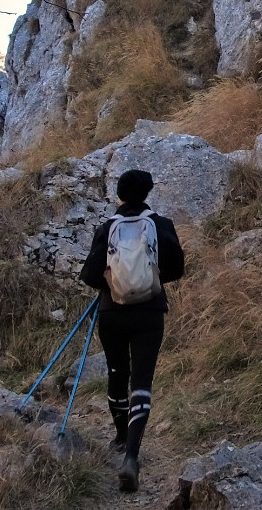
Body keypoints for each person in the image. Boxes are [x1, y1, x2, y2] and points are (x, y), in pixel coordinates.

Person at [80, 168, 183, 493]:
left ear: (119, 194)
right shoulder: (161, 225)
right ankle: (132, 457)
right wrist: (147, 282)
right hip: (149, 314)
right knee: (141, 381)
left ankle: (121, 436)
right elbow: (176, 268)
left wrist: (113, 285)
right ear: (148, 192)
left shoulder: (107, 227)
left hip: (112, 313)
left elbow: (90, 274)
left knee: (116, 372)